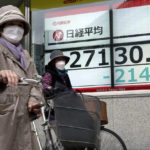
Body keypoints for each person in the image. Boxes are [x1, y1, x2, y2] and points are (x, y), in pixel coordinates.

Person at [0, 5, 44, 150]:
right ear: (1, 28)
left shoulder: (26, 56)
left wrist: (34, 99)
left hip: (24, 121)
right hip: (4, 122)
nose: (16, 29)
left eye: (20, 25)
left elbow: (36, 81)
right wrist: (1, 75)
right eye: (11, 24)